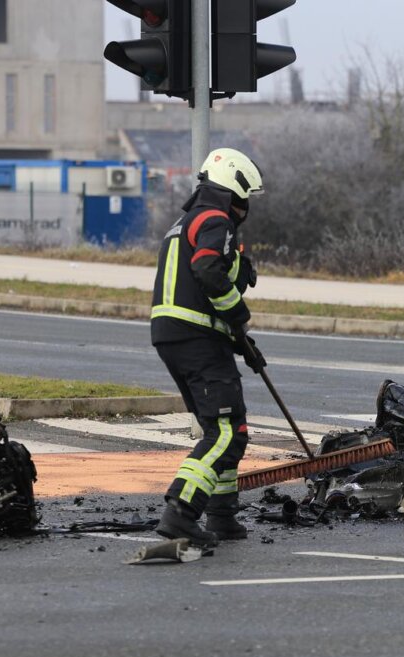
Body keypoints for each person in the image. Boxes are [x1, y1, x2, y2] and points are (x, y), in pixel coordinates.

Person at [150, 148, 266, 548]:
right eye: (244, 198)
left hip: (181, 336)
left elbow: (203, 284)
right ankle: (180, 512)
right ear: (231, 190)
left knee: (234, 427)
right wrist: (240, 315)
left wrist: (240, 342)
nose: (244, 208)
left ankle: (222, 515)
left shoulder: (186, 222)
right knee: (224, 431)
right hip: (195, 337)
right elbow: (208, 271)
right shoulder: (216, 219)